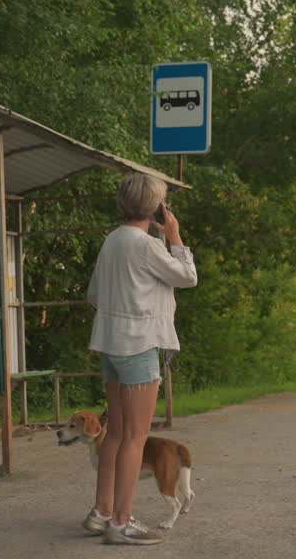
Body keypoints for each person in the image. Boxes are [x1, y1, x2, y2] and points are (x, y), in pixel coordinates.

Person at [81, 172, 198, 545]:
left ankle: (101, 513)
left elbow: (95, 294)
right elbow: (187, 276)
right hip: (138, 346)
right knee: (136, 437)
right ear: (157, 208)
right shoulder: (147, 245)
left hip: (110, 346)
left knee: (115, 434)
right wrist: (175, 235)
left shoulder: (113, 240)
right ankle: (122, 521)